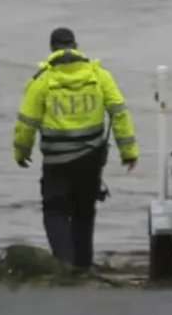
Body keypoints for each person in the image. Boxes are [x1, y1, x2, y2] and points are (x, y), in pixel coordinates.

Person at [13, 27, 138, 272]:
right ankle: (82, 264)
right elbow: (119, 112)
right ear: (76, 45)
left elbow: (26, 122)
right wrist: (128, 151)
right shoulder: (98, 75)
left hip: (56, 159)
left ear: (52, 48)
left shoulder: (43, 80)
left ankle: (64, 262)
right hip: (90, 157)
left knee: (55, 209)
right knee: (84, 210)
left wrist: (21, 152)